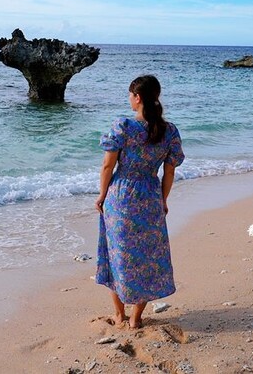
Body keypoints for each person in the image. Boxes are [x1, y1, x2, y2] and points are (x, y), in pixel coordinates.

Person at [95, 75, 185, 329]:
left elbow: (107, 166)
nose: (129, 99)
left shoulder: (123, 126)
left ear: (137, 97)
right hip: (150, 195)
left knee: (117, 255)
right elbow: (169, 172)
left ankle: (119, 315)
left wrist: (101, 195)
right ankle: (136, 318)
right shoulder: (169, 131)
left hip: (121, 196)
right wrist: (162, 200)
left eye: (130, 95)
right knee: (146, 258)